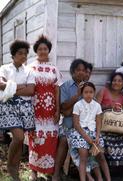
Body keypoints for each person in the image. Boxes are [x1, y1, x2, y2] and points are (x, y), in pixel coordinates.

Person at [52, 59, 100, 180]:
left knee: (92, 142)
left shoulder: (88, 87)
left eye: (83, 70)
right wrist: (77, 94)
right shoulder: (66, 86)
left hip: (86, 126)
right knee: (63, 140)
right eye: (78, 70)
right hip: (70, 125)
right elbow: (63, 108)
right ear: (73, 71)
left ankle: (91, 175)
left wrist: (69, 110)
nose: (81, 72)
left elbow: (91, 108)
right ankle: (56, 173)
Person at [27, 35, 62, 180]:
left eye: (45, 48)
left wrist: (58, 110)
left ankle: (50, 171)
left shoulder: (54, 69)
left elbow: (57, 90)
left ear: (49, 50)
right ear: (36, 51)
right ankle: (34, 171)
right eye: (40, 49)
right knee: (34, 139)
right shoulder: (30, 67)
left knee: (50, 140)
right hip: (35, 110)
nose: (42, 51)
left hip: (50, 110)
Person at [0, 40, 35, 180]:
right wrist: (20, 87)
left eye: (25, 53)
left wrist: (11, 87)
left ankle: (16, 166)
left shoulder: (29, 70)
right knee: (19, 136)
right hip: (9, 105)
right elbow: (1, 85)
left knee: (20, 140)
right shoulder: (4, 68)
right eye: (20, 53)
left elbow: (31, 90)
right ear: (13, 54)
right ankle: (10, 165)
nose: (23, 56)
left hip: (25, 108)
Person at [69, 82, 111, 181]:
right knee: (83, 157)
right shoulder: (77, 105)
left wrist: (97, 136)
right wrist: (87, 139)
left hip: (94, 133)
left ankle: (108, 179)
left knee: (101, 156)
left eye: (91, 92)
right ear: (82, 93)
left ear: (94, 92)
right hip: (80, 133)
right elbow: (76, 124)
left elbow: (98, 123)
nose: (88, 94)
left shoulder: (97, 105)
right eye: (86, 92)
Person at [96, 72, 123, 176]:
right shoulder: (103, 91)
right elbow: (95, 108)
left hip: (117, 125)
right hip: (104, 124)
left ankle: (122, 170)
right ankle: (110, 170)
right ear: (111, 81)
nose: (116, 83)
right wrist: (108, 107)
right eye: (114, 80)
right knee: (107, 140)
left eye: (119, 81)